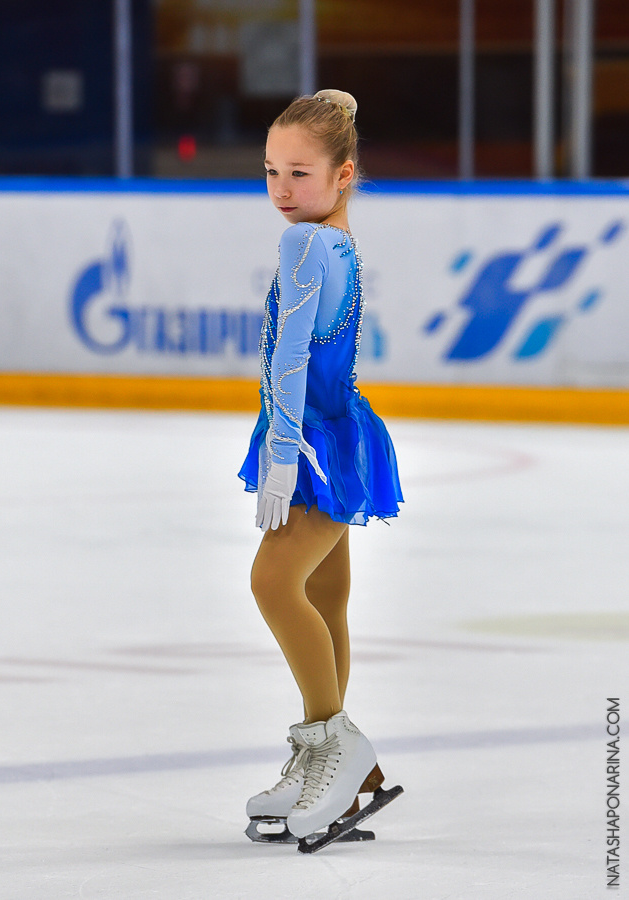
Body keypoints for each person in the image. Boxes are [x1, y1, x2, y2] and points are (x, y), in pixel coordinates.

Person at [238, 89, 403, 841]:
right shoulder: (336, 236)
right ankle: (334, 758)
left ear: (342, 174)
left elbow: (290, 356)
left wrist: (279, 455)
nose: (281, 189)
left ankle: (334, 748)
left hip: (308, 440)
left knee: (273, 581)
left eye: (299, 173)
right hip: (346, 433)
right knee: (326, 596)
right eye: (272, 170)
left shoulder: (303, 245)